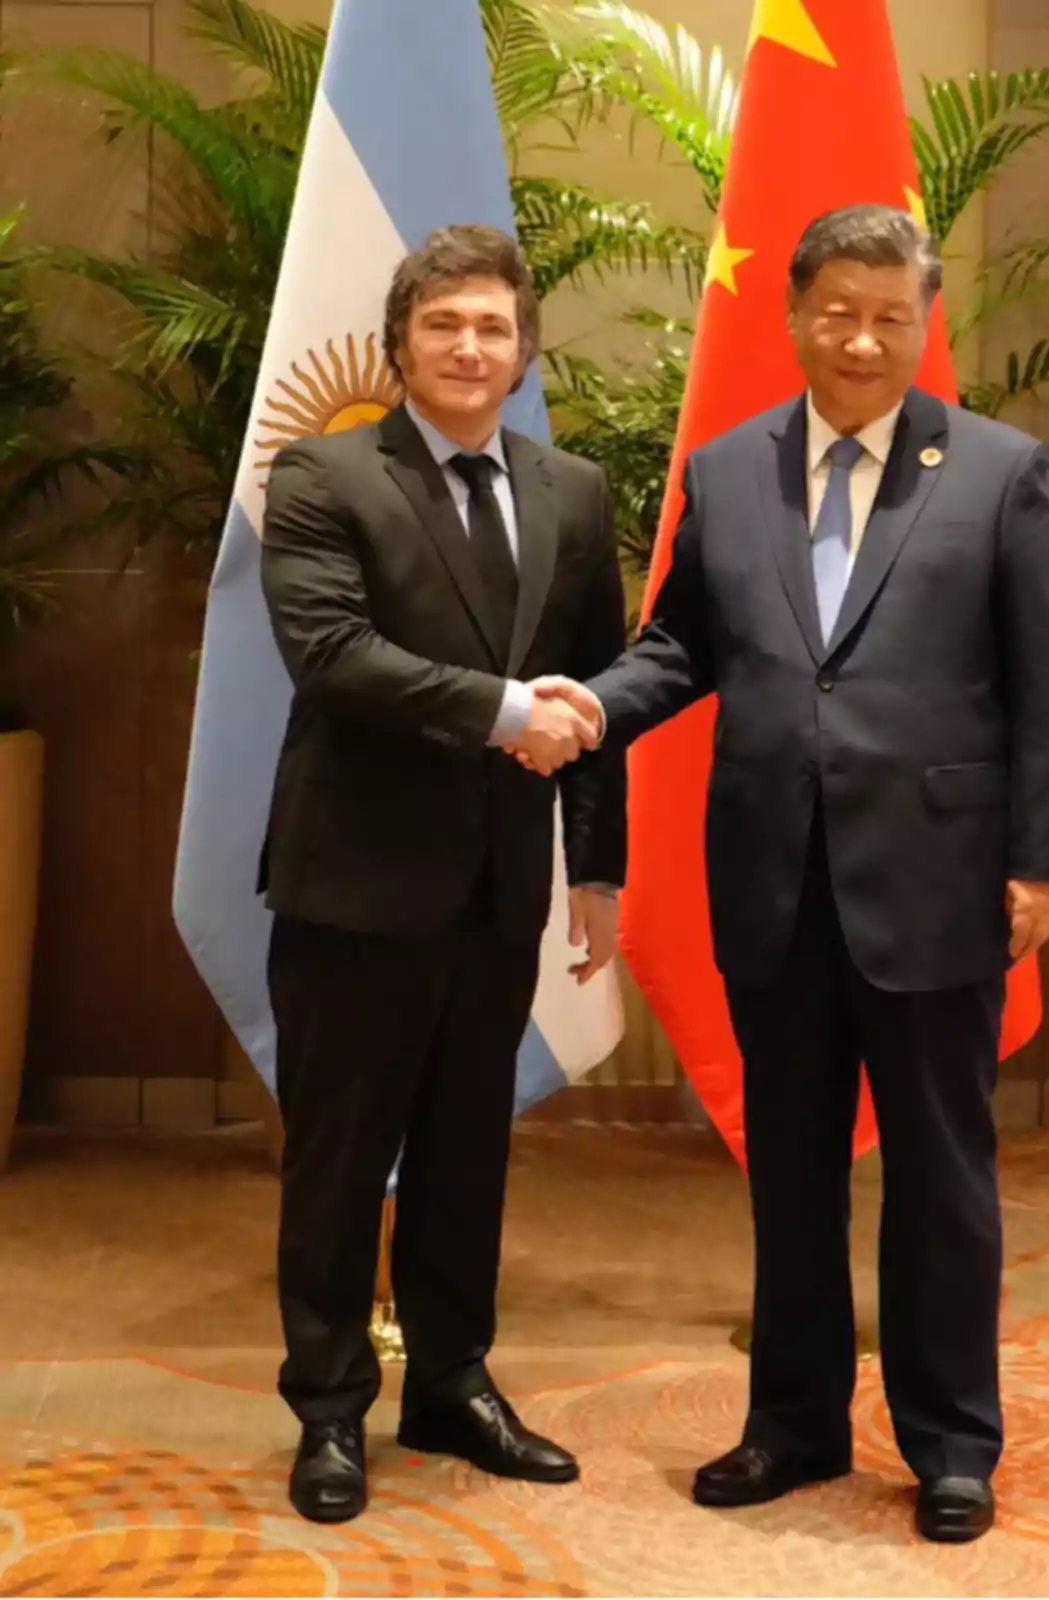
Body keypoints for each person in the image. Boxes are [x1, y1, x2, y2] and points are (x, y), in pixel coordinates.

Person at [527, 204, 1049, 1543]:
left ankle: (953, 1442)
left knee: (945, 1176)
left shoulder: (998, 471)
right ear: (793, 315)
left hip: (942, 880)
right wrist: (594, 707)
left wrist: (1047, 864)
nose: (863, 339)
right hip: (775, 883)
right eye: (839, 310)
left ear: (923, 322)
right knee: (790, 1167)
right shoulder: (727, 476)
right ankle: (791, 1423)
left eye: (893, 316)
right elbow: (680, 647)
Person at [258, 224, 623, 1524]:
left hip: (499, 891)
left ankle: (454, 1383)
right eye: (444, 325)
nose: (471, 347)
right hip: (353, 888)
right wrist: (506, 713)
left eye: (493, 327)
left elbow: (597, 684)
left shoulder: (572, 492)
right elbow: (334, 658)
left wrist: (600, 871)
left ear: (524, 351)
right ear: (403, 340)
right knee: (342, 1161)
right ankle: (330, 1410)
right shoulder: (322, 475)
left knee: (471, 1154)